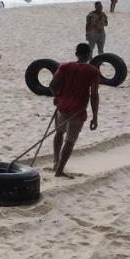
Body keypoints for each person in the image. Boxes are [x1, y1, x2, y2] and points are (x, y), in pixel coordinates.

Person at [49, 43, 100, 177]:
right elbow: (94, 95)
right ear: (89, 55)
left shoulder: (64, 67)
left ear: (76, 54)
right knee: (70, 141)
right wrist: (95, 116)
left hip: (63, 106)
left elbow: (52, 85)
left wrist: (57, 97)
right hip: (78, 109)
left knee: (59, 133)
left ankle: (55, 161)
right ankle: (59, 170)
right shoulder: (93, 71)